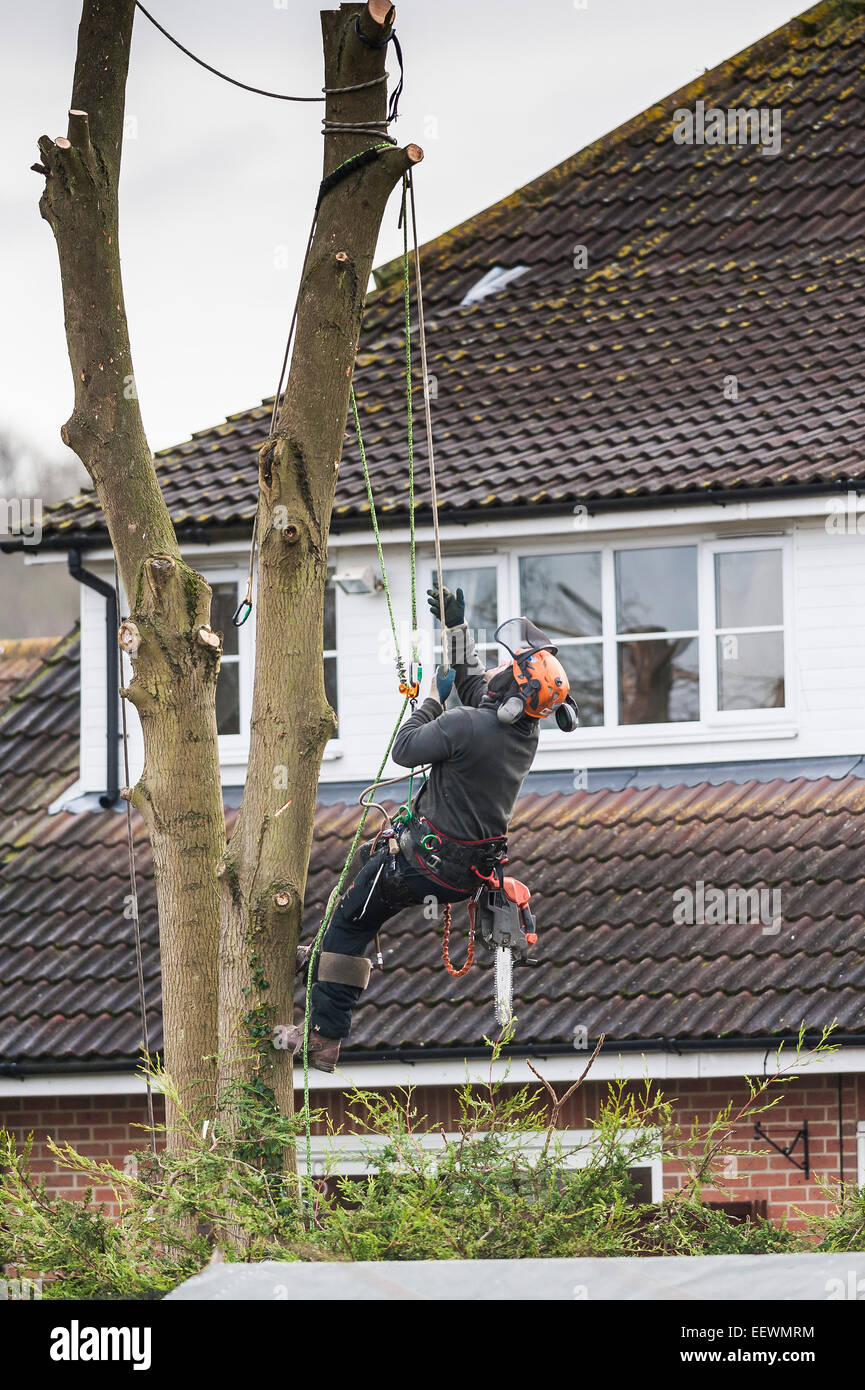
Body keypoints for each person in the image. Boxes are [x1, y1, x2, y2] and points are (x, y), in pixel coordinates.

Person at [279, 585, 579, 1071]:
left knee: (349, 926)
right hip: (458, 873)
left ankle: (323, 1038)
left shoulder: (465, 726)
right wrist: (456, 630)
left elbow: (406, 748)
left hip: (421, 865)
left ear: (513, 692)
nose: (498, 670)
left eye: (507, 668)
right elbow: (475, 680)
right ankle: (321, 964)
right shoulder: (522, 730)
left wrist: (430, 704)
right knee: (361, 894)